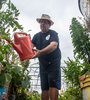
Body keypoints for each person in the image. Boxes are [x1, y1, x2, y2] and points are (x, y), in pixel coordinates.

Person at [32, 14, 61, 100]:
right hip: (43, 64)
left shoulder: (53, 34)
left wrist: (40, 52)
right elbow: (29, 47)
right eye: (41, 22)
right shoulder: (36, 36)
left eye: (45, 22)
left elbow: (54, 45)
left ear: (49, 24)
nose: (42, 23)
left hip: (53, 63)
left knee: (53, 84)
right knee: (44, 87)